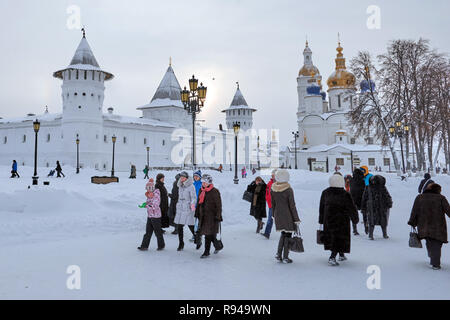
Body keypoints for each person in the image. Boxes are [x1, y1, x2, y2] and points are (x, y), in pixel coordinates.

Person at [319, 174, 359, 266]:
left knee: (333, 237)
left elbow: (321, 207)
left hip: (328, 220)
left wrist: (321, 220)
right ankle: (332, 257)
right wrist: (355, 219)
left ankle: (341, 254)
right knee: (339, 238)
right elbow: (351, 208)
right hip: (342, 220)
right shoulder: (345, 194)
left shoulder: (325, 192)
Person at [408, 183, 450, 270]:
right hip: (438, 225)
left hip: (424, 224)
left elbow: (414, 210)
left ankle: (432, 257)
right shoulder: (441, 198)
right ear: (437, 190)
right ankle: (435, 263)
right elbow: (448, 210)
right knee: (437, 243)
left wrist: (412, 221)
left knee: (429, 240)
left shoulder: (420, 197)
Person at [271, 169, 300, 263]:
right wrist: (296, 219)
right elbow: (292, 206)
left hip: (278, 215)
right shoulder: (288, 190)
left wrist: (273, 215)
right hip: (288, 216)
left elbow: (273, 204)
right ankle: (285, 257)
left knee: (283, 234)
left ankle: (278, 254)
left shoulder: (273, 189)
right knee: (288, 234)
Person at [195, 174, 223, 258]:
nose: (203, 184)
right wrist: (197, 213)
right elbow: (199, 203)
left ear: (209, 182)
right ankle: (218, 246)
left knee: (208, 235)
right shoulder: (201, 190)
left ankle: (206, 252)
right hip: (202, 216)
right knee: (210, 235)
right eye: (202, 182)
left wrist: (218, 216)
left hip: (212, 217)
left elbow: (219, 205)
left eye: (205, 182)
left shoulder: (215, 191)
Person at [361, 175, 393, 240]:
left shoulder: (381, 188)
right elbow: (364, 198)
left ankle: (383, 234)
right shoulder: (369, 188)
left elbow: (387, 196)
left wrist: (389, 203)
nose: (373, 182)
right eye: (372, 181)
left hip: (379, 207)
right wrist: (363, 206)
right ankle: (371, 234)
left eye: (374, 181)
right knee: (373, 221)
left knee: (380, 221)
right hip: (375, 207)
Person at [138, 178, 165, 251]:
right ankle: (144, 246)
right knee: (148, 232)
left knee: (158, 232)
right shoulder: (149, 194)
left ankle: (161, 245)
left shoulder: (156, 194)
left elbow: (155, 205)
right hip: (150, 215)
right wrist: (145, 203)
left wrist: (147, 205)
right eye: (147, 188)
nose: (148, 189)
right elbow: (150, 203)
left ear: (153, 187)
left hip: (156, 216)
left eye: (150, 188)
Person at [174, 171, 197, 251]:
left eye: (183, 177)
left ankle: (198, 240)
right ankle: (181, 243)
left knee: (191, 226)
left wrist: (192, 206)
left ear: (187, 178)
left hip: (188, 209)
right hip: (181, 209)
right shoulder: (180, 185)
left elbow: (194, 197)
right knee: (180, 227)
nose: (182, 179)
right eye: (181, 177)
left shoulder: (191, 186)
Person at [349, 168, 366, 235]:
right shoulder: (363, 181)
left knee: (354, 215)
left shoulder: (351, 180)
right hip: (362, 199)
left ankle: (354, 229)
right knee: (365, 214)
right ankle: (366, 227)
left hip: (353, 200)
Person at [262, 169, 276, 239]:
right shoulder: (269, 183)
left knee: (282, 219)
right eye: (272, 175)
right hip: (271, 205)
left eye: (273, 175)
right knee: (270, 219)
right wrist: (268, 199)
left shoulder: (279, 184)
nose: (272, 176)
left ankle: (287, 233)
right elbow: (267, 193)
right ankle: (267, 233)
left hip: (278, 205)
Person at [192, 170, 203, 243]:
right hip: (193, 205)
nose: (196, 177)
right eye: (194, 176)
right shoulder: (192, 184)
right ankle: (195, 234)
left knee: (198, 221)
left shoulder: (202, 185)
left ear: (200, 177)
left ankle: (198, 235)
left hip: (199, 205)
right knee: (193, 220)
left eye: (197, 176)